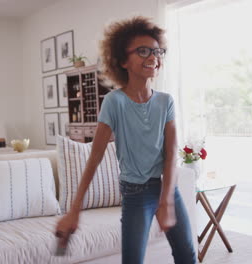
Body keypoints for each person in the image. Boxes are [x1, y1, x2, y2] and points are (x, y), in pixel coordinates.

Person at [56, 16, 196, 264]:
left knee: (187, 255)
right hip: (135, 194)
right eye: (143, 51)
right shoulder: (114, 102)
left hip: (167, 188)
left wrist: (167, 201)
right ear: (122, 61)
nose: (152, 56)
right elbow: (95, 157)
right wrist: (74, 209)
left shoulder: (166, 102)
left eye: (156, 51)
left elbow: (171, 154)